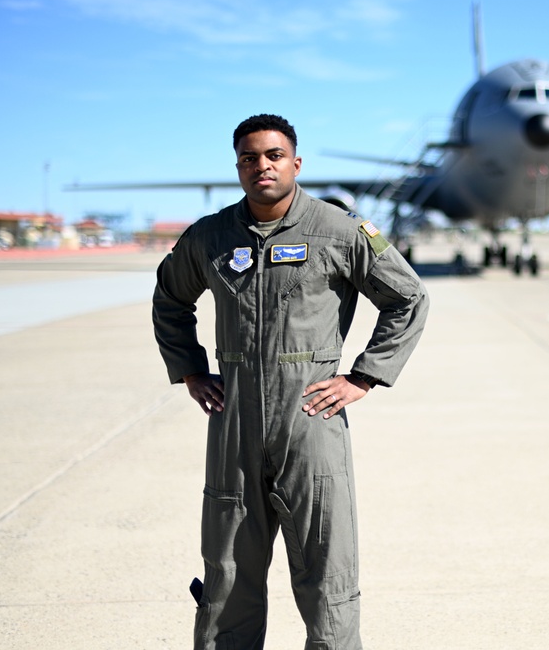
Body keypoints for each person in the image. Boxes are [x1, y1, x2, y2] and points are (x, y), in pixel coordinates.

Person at [152, 113, 429, 650]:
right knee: (228, 573)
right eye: (250, 158)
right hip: (233, 426)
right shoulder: (209, 237)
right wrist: (189, 368)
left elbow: (408, 297)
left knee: (328, 573)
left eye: (273, 156)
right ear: (238, 167)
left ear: (295, 163)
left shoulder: (339, 231)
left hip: (311, 422)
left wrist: (365, 376)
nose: (262, 166)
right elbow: (170, 299)